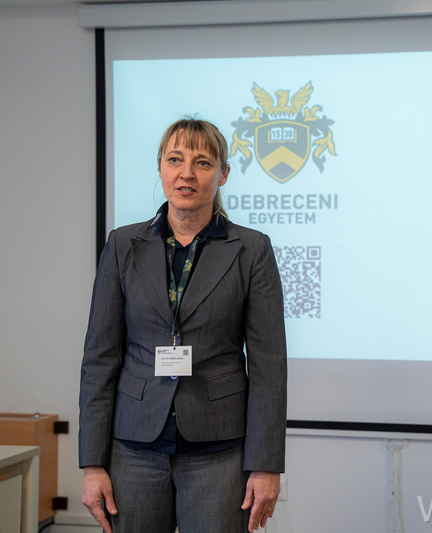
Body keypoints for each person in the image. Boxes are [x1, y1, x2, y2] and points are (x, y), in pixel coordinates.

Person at [79, 118, 287, 533]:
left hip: (218, 452)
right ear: (160, 168)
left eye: (203, 162)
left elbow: (268, 366)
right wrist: (92, 463)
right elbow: (99, 359)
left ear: (223, 174)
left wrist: (266, 466)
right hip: (133, 449)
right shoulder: (122, 245)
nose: (186, 173)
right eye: (175, 160)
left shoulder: (251, 250)